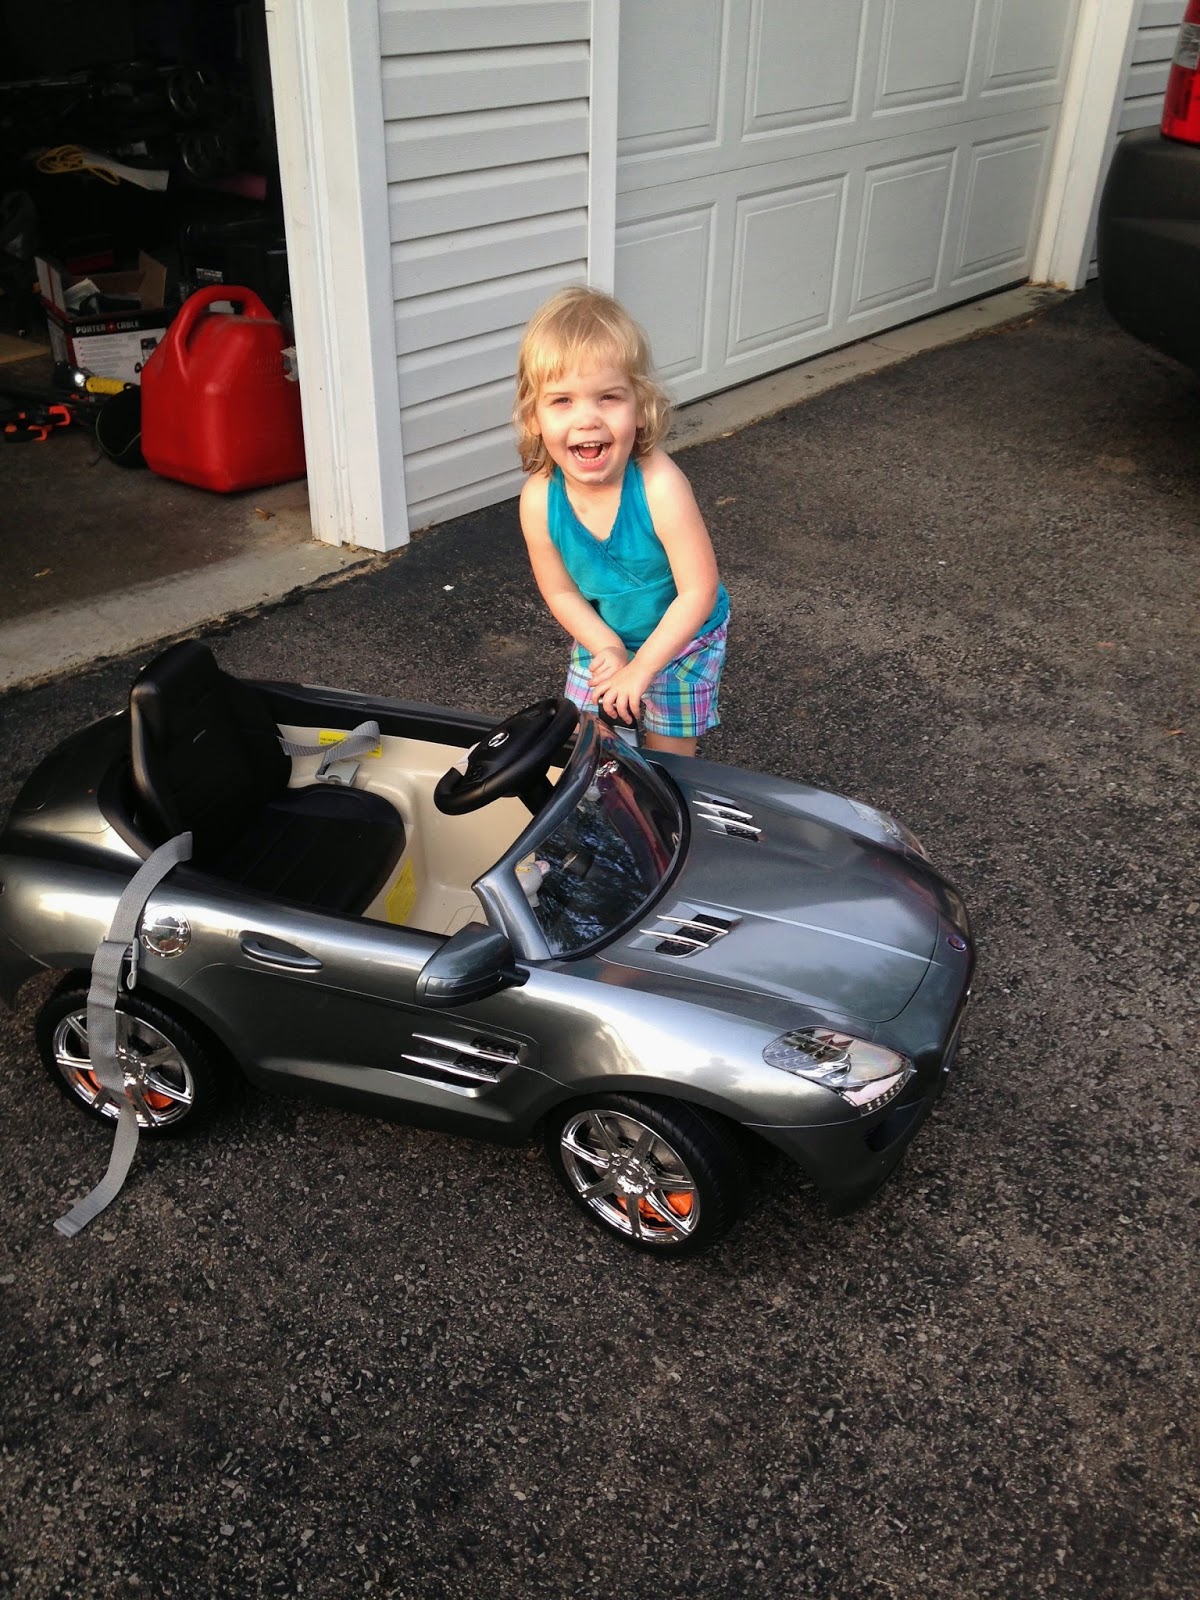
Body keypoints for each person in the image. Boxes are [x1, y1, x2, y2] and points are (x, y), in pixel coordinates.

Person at [514, 286, 729, 758]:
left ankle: (665, 802)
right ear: (533, 418)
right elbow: (562, 592)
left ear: (640, 407)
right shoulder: (539, 500)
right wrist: (608, 648)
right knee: (590, 748)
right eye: (562, 400)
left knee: (668, 760)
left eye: (608, 397)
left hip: (684, 638)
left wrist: (642, 668)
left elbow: (698, 590)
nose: (587, 419)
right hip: (603, 634)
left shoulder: (660, 486)